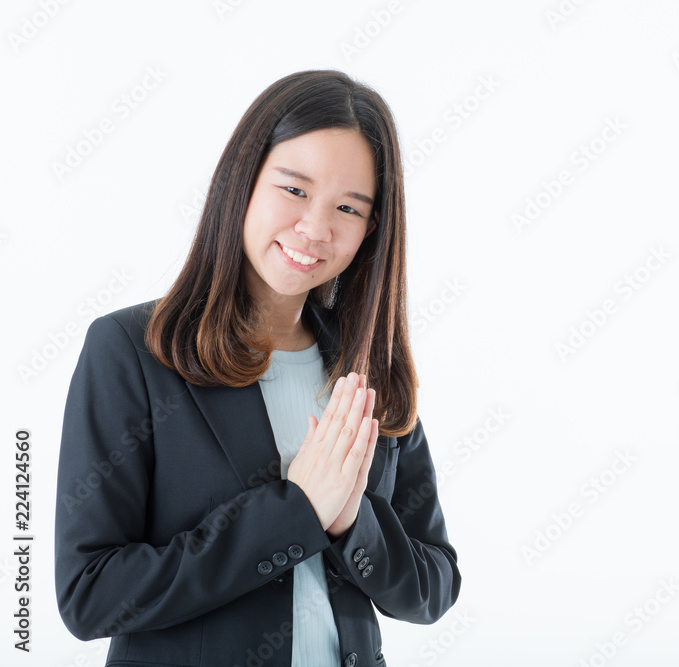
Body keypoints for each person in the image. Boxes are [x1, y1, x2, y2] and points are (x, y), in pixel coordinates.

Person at [54, 69, 461, 667]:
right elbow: (90, 594)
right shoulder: (131, 351)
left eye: (348, 207)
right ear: (242, 181)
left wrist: (353, 526)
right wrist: (295, 512)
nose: (315, 229)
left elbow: (433, 588)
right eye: (294, 190)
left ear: (371, 230)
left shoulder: (365, 367)